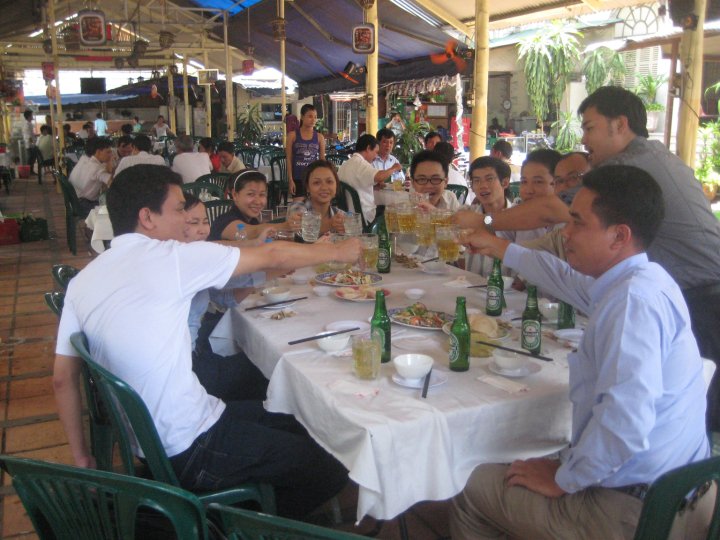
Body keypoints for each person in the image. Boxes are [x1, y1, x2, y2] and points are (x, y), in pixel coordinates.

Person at [53, 165, 361, 518]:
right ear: (147, 217)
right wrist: (339, 252)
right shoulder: (170, 258)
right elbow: (273, 255)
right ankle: (235, 526)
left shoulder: (83, 280)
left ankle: (243, 506)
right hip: (192, 445)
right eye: (179, 209)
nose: (186, 220)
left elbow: (62, 379)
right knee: (334, 461)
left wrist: (81, 456)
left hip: (152, 444)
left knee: (307, 420)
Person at [452, 165, 712, 540]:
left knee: (469, 485)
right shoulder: (644, 279)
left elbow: (625, 425)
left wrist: (565, 478)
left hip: (639, 513)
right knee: (529, 465)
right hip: (679, 491)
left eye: (578, 222)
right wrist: (501, 247)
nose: (566, 233)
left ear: (619, 236)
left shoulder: (632, 303)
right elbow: (567, 281)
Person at [578, 86, 720, 432]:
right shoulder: (655, 155)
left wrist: (488, 224)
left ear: (619, 124)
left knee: (687, 417)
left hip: (702, 301)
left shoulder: (629, 169)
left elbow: (563, 209)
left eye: (589, 127)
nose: (584, 139)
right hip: (699, 292)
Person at [183, 193, 269, 402]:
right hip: (190, 369)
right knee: (266, 366)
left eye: (205, 222)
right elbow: (241, 276)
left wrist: (263, 274)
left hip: (195, 349)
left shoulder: (190, 256)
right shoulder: (187, 261)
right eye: (194, 223)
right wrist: (272, 267)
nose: (203, 229)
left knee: (259, 353)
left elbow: (224, 299)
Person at [463, 156, 513, 276]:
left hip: (509, 287)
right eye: (477, 181)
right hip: (471, 284)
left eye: (489, 179)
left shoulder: (521, 218)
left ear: (505, 182)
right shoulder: (468, 215)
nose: (483, 186)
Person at [337, 134, 402, 223]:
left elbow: (356, 184)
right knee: (392, 210)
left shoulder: (345, 165)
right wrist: (394, 168)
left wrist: (374, 186)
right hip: (363, 216)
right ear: (368, 148)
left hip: (347, 214)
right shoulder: (360, 164)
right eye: (376, 152)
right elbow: (379, 177)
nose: (376, 156)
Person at [209, 170, 277, 241]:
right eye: (251, 194)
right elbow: (254, 232)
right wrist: (284, 226)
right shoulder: (224, 222)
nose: (258, 202)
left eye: (262, 194)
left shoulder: (253, 220)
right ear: (235, 195)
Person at [286, 104, 326, 200]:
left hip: (314, 179)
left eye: (315, 117)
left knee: (314, 207)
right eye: (310, 116)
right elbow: (289, 159)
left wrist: (323, 180)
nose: (313, 120)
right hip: (297, 178)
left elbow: (322, 160)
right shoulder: (292, 136)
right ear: (302, 117)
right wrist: (290, 180)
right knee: (298, 207)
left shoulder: (320, 137)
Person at [296, 160, 346, 236]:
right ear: (307, 187)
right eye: (317, 183)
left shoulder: (340, 215)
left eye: (329, 181)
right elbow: (300, 234)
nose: (324, 187)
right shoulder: (297, 209)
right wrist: (329, 225)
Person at [68, 137, 113, 216]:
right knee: (113, 208)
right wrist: (110, 162)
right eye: (108, 152)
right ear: (98, 152)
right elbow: (113, 183)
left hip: (74, 201)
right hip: (85, 205)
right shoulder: (98, 169)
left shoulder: (84, 159)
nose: (111, 155)